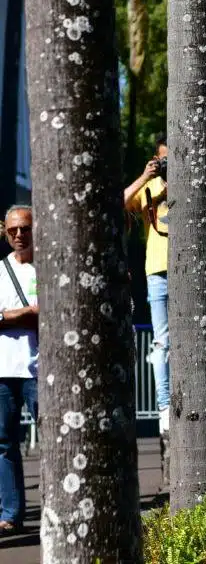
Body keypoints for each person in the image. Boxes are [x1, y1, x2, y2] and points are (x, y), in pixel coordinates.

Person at [123, 134, 170, 483]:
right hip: (157, 271)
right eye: (164, 159)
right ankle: (165, 406)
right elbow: (120, 203)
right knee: (162, 342)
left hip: (190, 272)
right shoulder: (150, 186)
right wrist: (147, 175)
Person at [0, 206, 38, 534]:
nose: (19, 235)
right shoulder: (0, 270)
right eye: (13, 230)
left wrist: (8, 315)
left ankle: (57, 506)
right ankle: (11, 514)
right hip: (4, 369)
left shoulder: (48, 267)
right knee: (3, 443)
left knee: (55, 440)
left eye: (24, 228)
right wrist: (24, 314)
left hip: (40, 368)